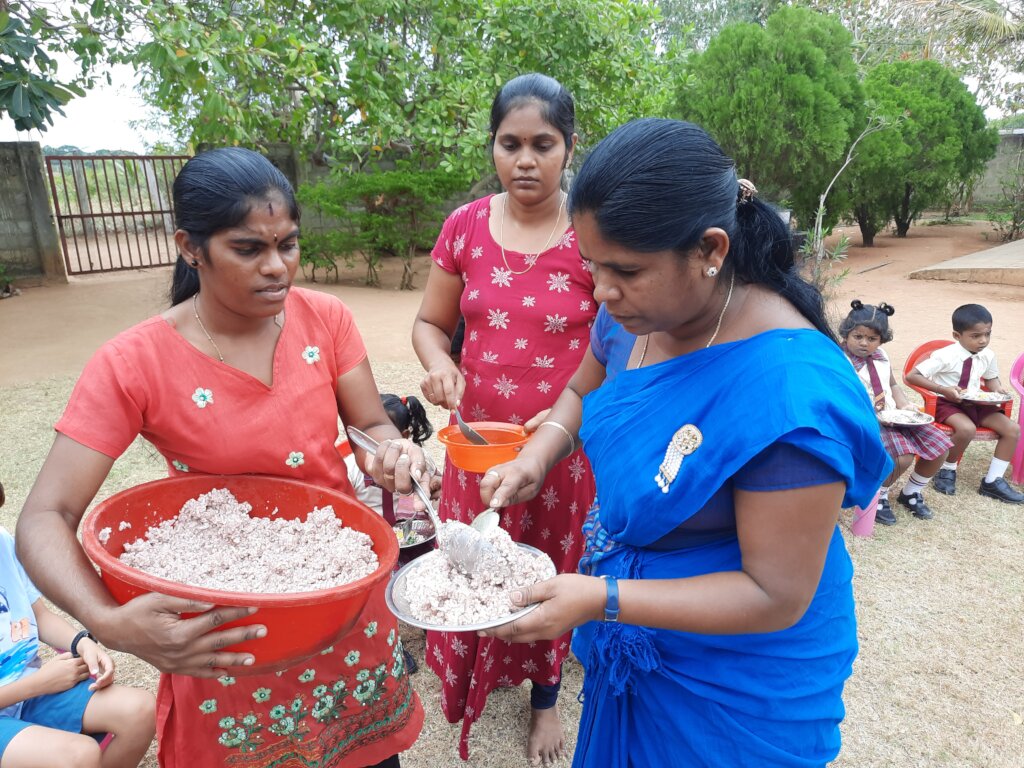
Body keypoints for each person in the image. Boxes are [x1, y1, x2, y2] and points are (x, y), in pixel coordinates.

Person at [476, 118, 891, 767]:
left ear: (711, 249)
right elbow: (583, 392)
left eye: (625, 271)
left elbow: (773, 594)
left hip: (735, 688)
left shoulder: (791, 396)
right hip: (636, 642)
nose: (602, 293)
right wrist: (538, 453)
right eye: (591, 267)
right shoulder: (636, 314)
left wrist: (602, 598)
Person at [15, 148, 426, 767]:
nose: (277, 269)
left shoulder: (326, 319)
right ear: (190, 247)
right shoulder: (136, 363)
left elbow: (367, 425)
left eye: (287, 245)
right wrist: (110, 619)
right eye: (248, 249)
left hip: (343, 601)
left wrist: (389, 452)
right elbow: (43, 516)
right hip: (230, 632)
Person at [411, 73, 597, 764]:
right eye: (509, 143)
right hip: (476, 443)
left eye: (542, 144)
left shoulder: (590, 233)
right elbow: (431, 323)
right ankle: (470, 676)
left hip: (559, 447)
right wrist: (440, 363)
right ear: (491, 147)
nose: (525, 159)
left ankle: (544, 700)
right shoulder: (463, 228)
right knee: (472, 562)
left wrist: (563, 418)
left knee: (548, 569)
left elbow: (618, 349)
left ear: (569, 147)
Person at [1, 481, 155, 768]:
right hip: (24, 692)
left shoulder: (1, 542)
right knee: (78, 755)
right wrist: (36, 685)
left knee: (141, 710)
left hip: (29, 692)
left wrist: (81, 643)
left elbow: (40, 616)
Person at [839, 300, 953, 524]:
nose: (864, 343)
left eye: (872, 339)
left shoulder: (882, 357)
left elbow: (891, 385)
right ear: (846, 333)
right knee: (903, 457)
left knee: (940, 446)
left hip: (893, 416)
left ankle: (910, 492)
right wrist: (874, 415)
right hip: (864, 421)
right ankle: (878, 495)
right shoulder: (840, 360)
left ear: (882, 339)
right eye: (858, 337)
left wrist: (905, 405)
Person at [905, 303, 1024, 504]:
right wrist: (943, 390)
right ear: (957, 335)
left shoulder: (988, 355)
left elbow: (991, 379)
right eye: (976, 336)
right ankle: (947, 470)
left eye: (987, 334)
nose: (983, 340)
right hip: (947, 402)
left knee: (1012, 429)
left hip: (976, 402)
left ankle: (992, 481)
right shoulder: (945, 355)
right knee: (966, 428)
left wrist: (998, 390)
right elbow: (912, 375)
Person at [338, 394, 435, 518]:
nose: (381, 447)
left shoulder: (418, 460)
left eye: (386, 437)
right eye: (370, 435)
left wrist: (433, 485)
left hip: (409, 526)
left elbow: (433, 484)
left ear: (404, 436)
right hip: (369, 530)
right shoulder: (351, 468)